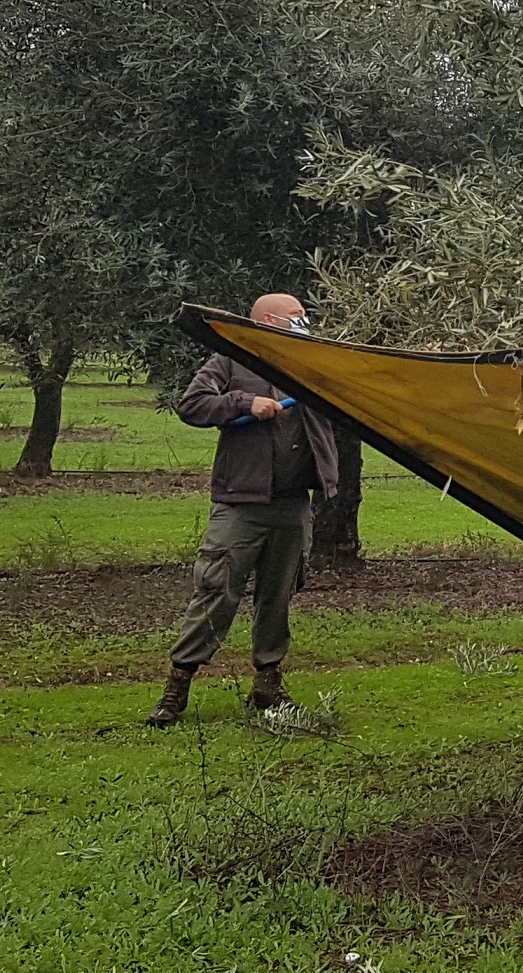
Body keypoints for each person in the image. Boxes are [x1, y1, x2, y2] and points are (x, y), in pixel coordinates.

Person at [144, 293, 340, 727]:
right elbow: (191, 406)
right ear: (268, 321)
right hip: (240, 505)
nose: (304, 322)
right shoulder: (231, 360)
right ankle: (176, 688)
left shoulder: (311, 362)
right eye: (296, 317)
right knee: (216, 592)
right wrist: (241, 404)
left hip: (293, 505)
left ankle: (269, 688)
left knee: (279, 598)